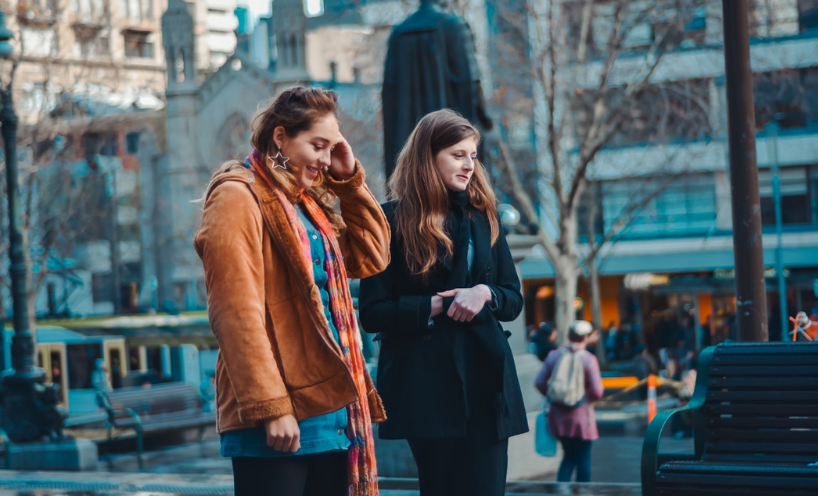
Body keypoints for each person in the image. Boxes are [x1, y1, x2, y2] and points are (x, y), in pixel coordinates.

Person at [194, 86, 390, 496]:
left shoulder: (309, 205)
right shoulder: (236, 196)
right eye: (317, 145)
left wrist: (349, 182)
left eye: (331, 147)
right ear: (280, 137)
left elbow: (372, 256)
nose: (324, 158)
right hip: (277, 414)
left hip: (331, 410)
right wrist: (272, 408)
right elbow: (236, 314)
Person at [359, 109, 527, 496]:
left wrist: (483, 293)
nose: (469, 165)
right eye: (457, 154)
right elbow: (372, 312)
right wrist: (435, 305)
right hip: (426, 384)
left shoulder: (483, 218)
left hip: (486, 377)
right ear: (427, 156)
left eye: (472, 155)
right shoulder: (389, 221)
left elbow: (512, 298)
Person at [381, 0, 492, 181]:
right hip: (453, 163)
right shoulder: (455, 27)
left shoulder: (398, 34)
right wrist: (487, 123)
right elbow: (471, 86)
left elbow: (389, 96)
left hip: (408, 167)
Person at [535, 321, 604, 483]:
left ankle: (562, 491)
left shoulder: (554, 355)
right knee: (583, 459)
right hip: (582, 418)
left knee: (568, 457)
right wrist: (585, 399)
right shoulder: (588, 359)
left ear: (568, 336)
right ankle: (583, 493)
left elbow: (539, 382)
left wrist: (554, 397)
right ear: (586, 337)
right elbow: (598, 391)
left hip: (558, 417)